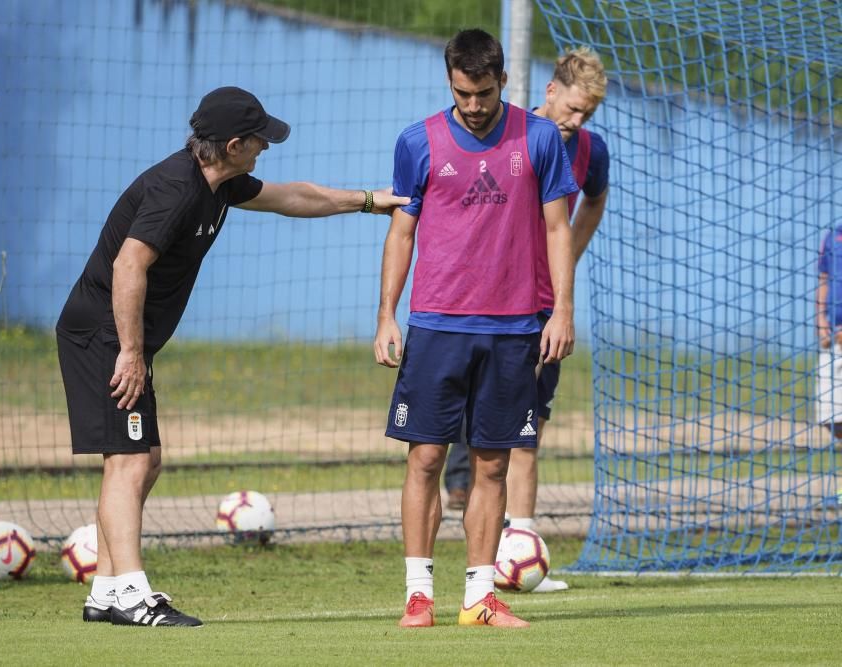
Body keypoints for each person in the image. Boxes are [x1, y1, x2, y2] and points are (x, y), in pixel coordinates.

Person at [57, 86, 409, 628]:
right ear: (235, 143)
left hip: (119, 336)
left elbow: (293, 197)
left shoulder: (219, 184)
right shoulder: (176, 187)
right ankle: (130, 592)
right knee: (127, 461)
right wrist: (130, 351)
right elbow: (130, 266)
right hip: (103, 334)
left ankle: (107, 590)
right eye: (261, 138)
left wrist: (366, 200)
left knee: (143, 461)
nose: (267, 146)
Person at [375, 29, 577, 629]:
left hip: (515, 327)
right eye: (463, 94)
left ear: (503, 81)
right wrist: (387, 313)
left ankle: (478, 597)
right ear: (450, 82)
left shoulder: (539, 138)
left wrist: (561, 311)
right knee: (426, 458)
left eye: (483, 93)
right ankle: (417, 594)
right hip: (436, 325)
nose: (473, 105)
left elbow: (559, 230)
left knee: (492, 465)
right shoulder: (418, 141)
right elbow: (402, 231)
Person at [444, 47, 610, 593]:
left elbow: (592, 202)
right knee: (474, 424)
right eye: (573, 108)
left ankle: (521, 547)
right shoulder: (510, 135)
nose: (577, 121)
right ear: (550, 90)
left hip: (542, 307)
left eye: (587, 114)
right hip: (486, 302)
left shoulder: (589, 150)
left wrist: (569, 264)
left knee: (529, 426)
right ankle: (465, 513)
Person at [816, 224, 842, 439]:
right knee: (829, 417)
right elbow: (823, 279)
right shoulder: (832, 236)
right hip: (832, 335)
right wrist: (820, 321)